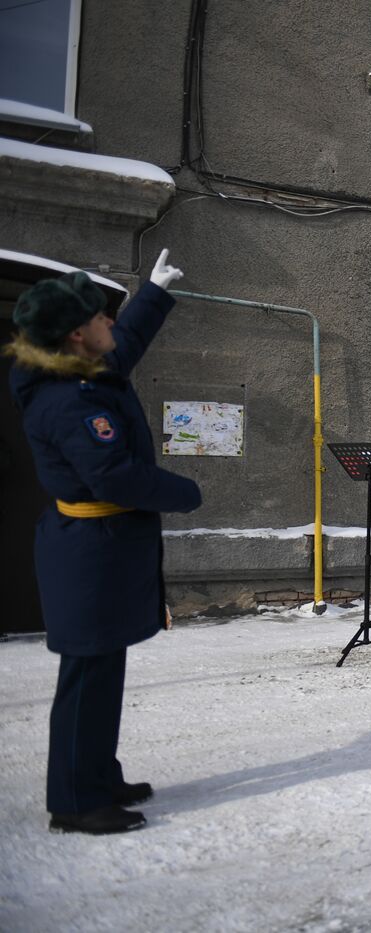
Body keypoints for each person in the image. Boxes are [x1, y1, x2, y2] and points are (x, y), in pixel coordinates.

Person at [5, 251, 201, 834]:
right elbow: (113, 475)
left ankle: (97, 775)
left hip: (99, 546)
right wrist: (183, 491)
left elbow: (126, 342)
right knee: (86, 679)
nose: (111, 324)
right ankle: (74, 801)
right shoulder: (70, 400)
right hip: (89, 550)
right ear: (76, 335)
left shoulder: (81, 370)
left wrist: (155, 294)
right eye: (101, 318)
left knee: (103, 670)